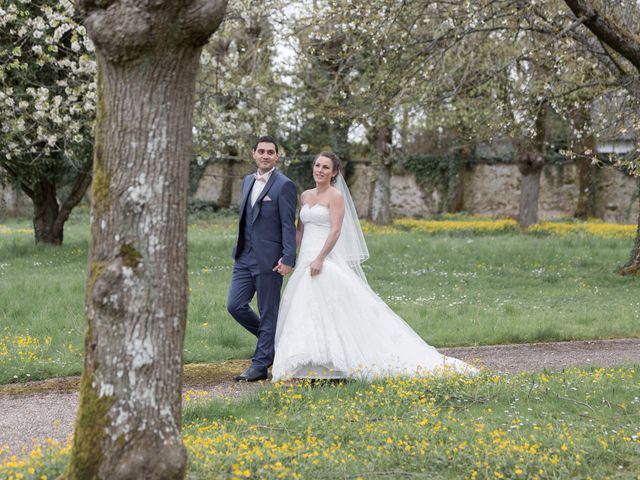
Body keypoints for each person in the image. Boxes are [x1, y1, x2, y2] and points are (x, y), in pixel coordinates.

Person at [271, 152, 476, 381]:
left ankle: (335, 363)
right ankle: (309, 363)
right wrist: (287, 255)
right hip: (304, 261)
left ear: (334, 172)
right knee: (305, 310)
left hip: (324, 259)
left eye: (325, 167)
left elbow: (336, 230)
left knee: (331, 309)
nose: (320, 170)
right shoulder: (305, 196)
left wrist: (320, 258)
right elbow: (301, 230)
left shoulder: (335, 196)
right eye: (317, 165)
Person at [227, 135, 297, 382]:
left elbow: (289, 225)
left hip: (270, 259)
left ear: (277, 156)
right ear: (253, 154)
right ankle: (272, 344)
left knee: (268, 312)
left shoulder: (284, 185)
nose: (265, 155)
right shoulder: (247, 181)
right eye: (261, 151)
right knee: (234, 305)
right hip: (244, 257)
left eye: (270, 152)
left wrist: (288, 258)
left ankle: (260, 365)